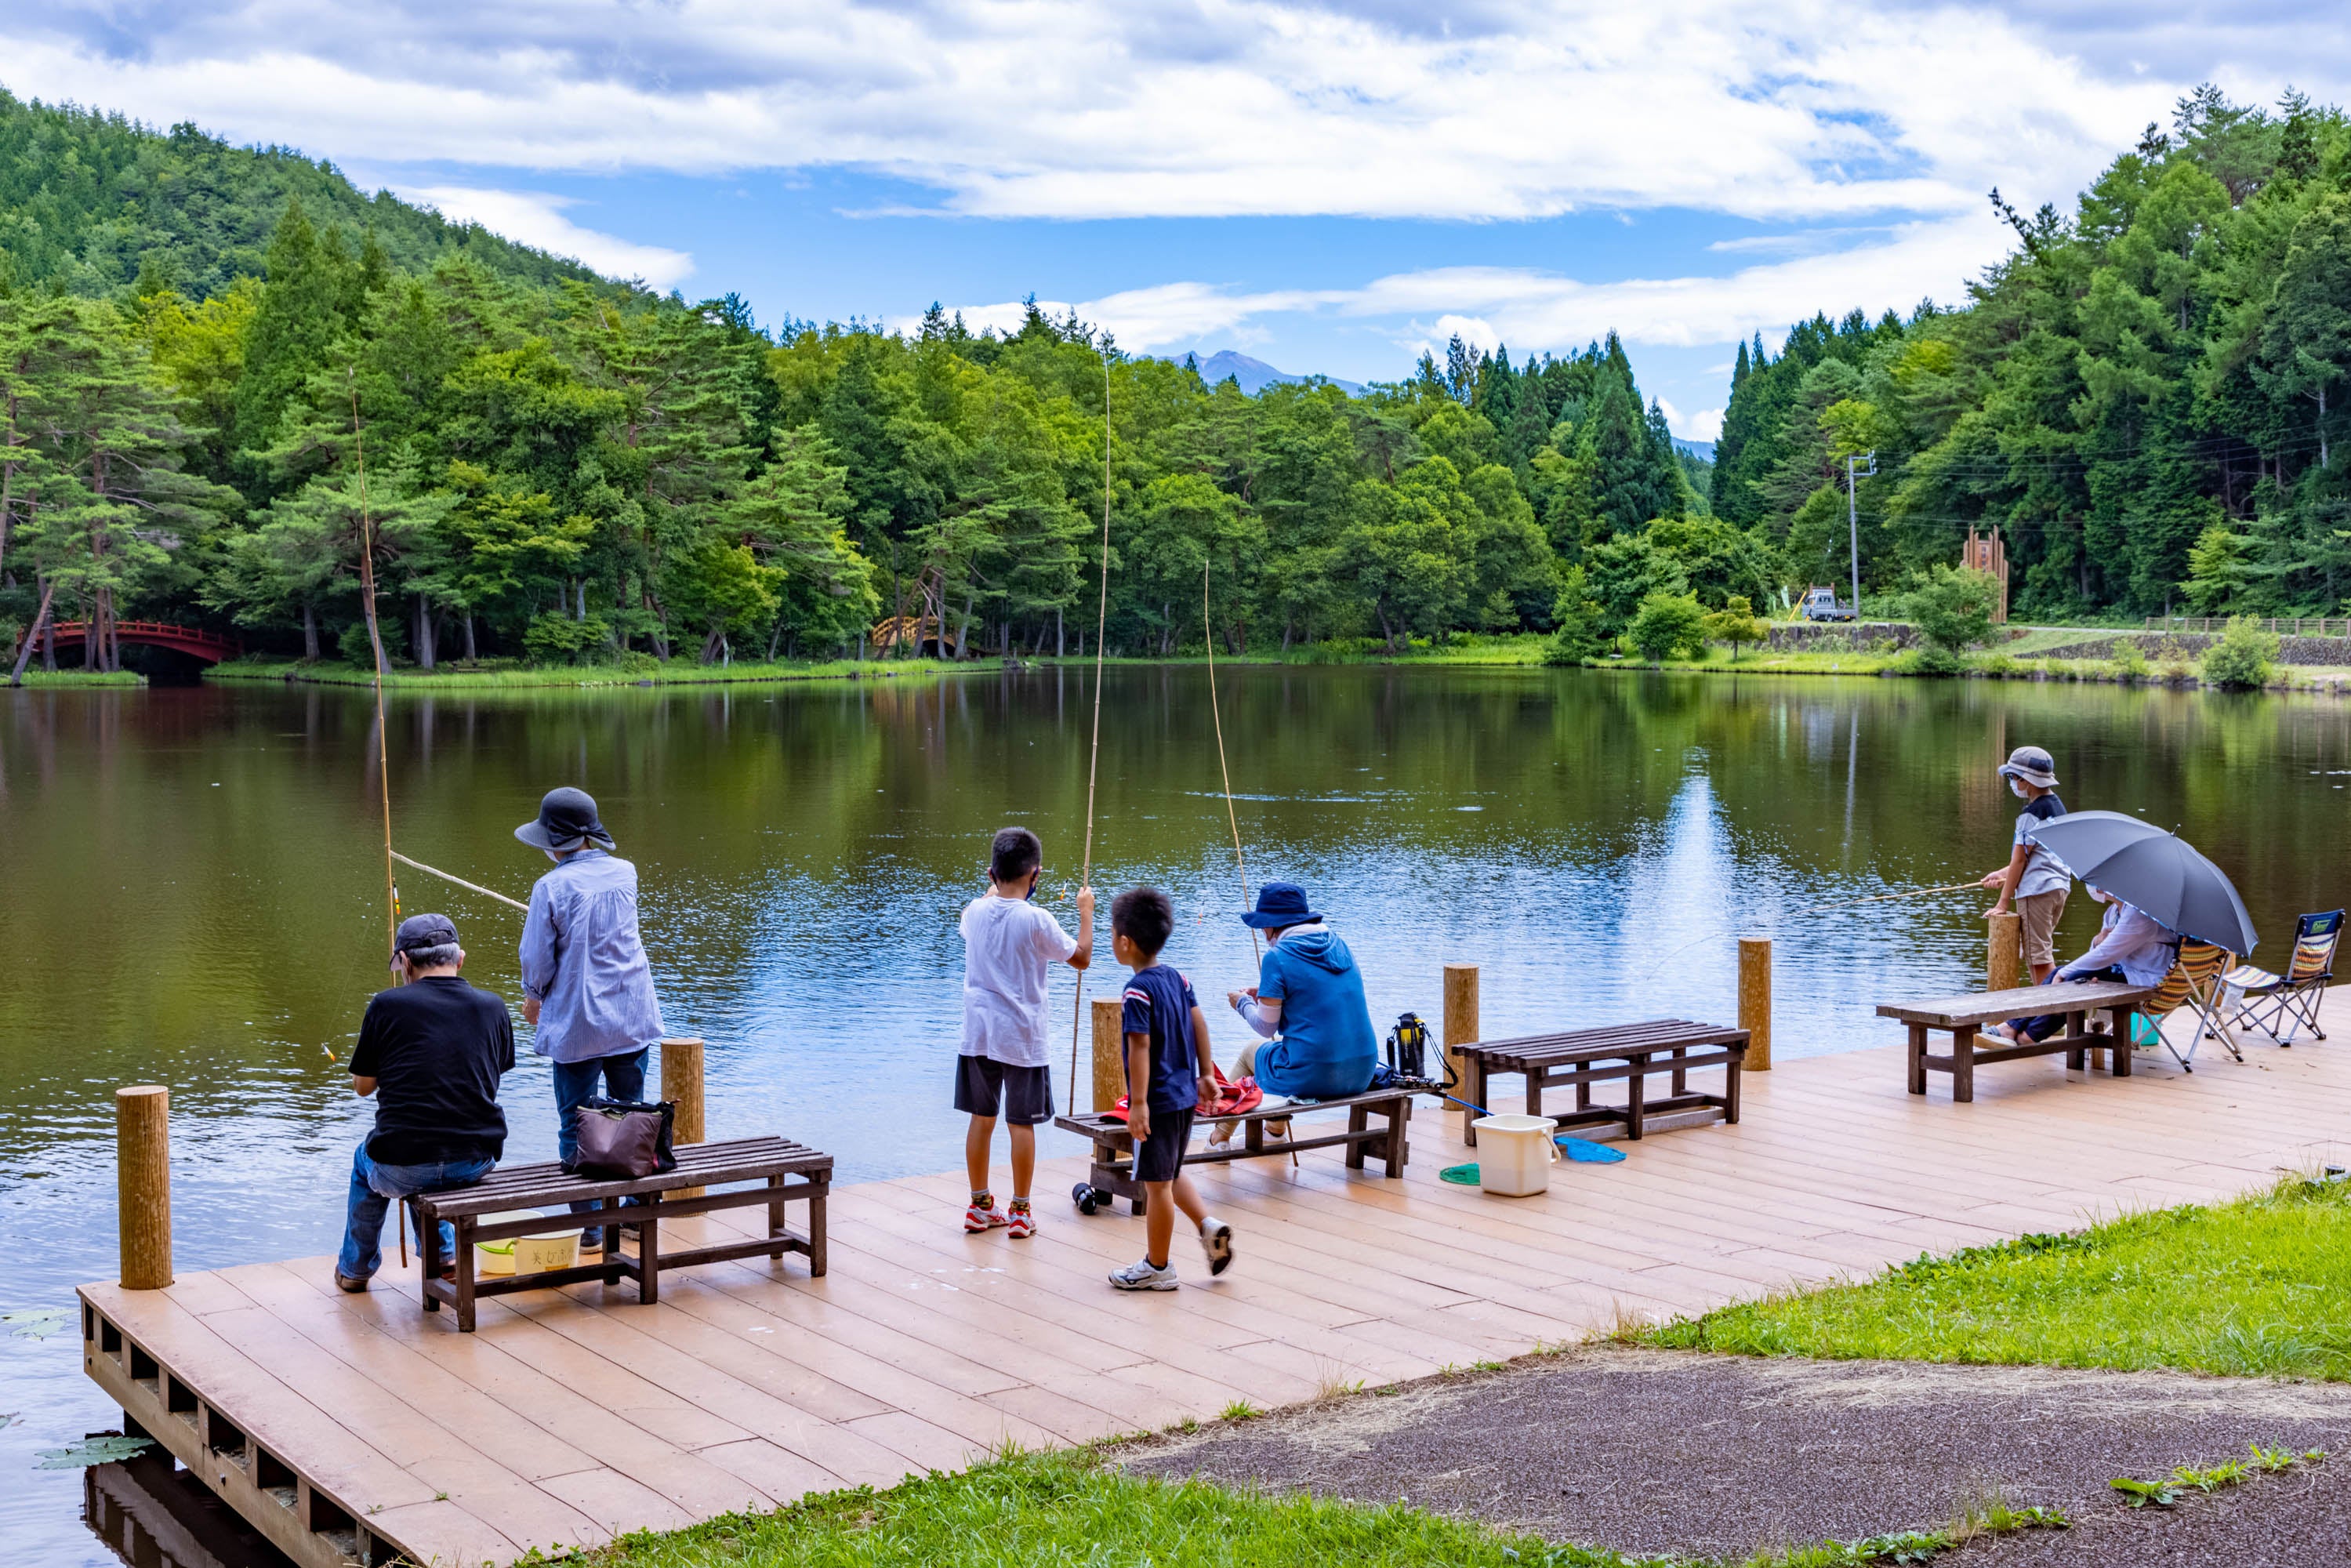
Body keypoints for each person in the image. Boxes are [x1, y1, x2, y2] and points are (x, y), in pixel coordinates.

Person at [517, 786, 665, 1252]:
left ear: (554, 841)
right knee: (630, 1115)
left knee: (574, 1122)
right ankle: (629, 1218)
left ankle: (593, 1228)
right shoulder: (626, 872)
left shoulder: (550, 887)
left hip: (579, 1024)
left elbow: (537, 958)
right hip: (630, 1015)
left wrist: (533, 999)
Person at [335, 914, 517, 1293]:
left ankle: (355, 1269)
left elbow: (363, 1087)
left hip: (404, 1165)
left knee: (367, 1160)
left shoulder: (386, 1005)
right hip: (475, 1159)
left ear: (405, 961)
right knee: (433, 1149)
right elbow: (491, 1076)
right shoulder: (494, 1006)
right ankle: (443, 1257)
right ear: (460, 959)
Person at [957, 826, 1093, 1237]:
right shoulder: (1037, 920)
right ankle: (1020, 1211)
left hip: (978, 1034)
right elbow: (1082, 958)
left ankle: (980, 1204)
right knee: (1021, 1124)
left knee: (982, 1120)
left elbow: (983, 906)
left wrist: (990, 890)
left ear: (991, 872)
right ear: (1035, 875)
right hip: (1022, 1038)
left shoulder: (973, 912)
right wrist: (1086, 911)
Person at [1108, 887, 1235, 1290]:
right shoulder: (1179, 979)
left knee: (1156, 1185)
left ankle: (1158, 1267)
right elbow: (1199, 1024)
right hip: (1183, 1097)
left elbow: (1140, 1045)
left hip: (1158, 1102)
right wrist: (1207, 1074)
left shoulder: (1136, 992)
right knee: (1170, 1171)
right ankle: (1207, 1225)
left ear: (1125, 943)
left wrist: (1139, 1103)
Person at [1220, 882, 1379, 1133]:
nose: (1262, 931)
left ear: (1273, 924)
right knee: (1281, 1054)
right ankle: (1274, 1132)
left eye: (1262, 925)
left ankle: (1219, 1136)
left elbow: (1265, 1027)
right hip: (1363, 1071)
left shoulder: (1277, 956)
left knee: (1253, 1051)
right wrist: (1266, 996)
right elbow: (1313, 995)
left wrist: (1243, 1003)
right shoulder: (1339, 944)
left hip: (1316, 1074)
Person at [1988, 885, 2177, 1045]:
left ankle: (2029, 1035)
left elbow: (2107, 953)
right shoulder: (2113, 913)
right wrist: (2098, 940)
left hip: (2146, 978)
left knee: (2071, 979)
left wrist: (2069, 970)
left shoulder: (2140, 914)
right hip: (2125, 970)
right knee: (2061, 973)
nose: (2095, 886)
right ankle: (2013, 1027)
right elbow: (2097, 951)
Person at [1979, 746, 2071, 983]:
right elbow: (2037, 857)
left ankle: (2046, 1013)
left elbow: (2020, 860)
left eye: (2012, 777)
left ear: (2026, 781)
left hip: (2036, 892)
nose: (2011, 782)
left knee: (2037, 957)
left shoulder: (2029, 816)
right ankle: (2047, 1011)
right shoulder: (2057, 807)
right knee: (2039, 950)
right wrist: (2000, 874)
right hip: (2058, 888)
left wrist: (2003, 902)